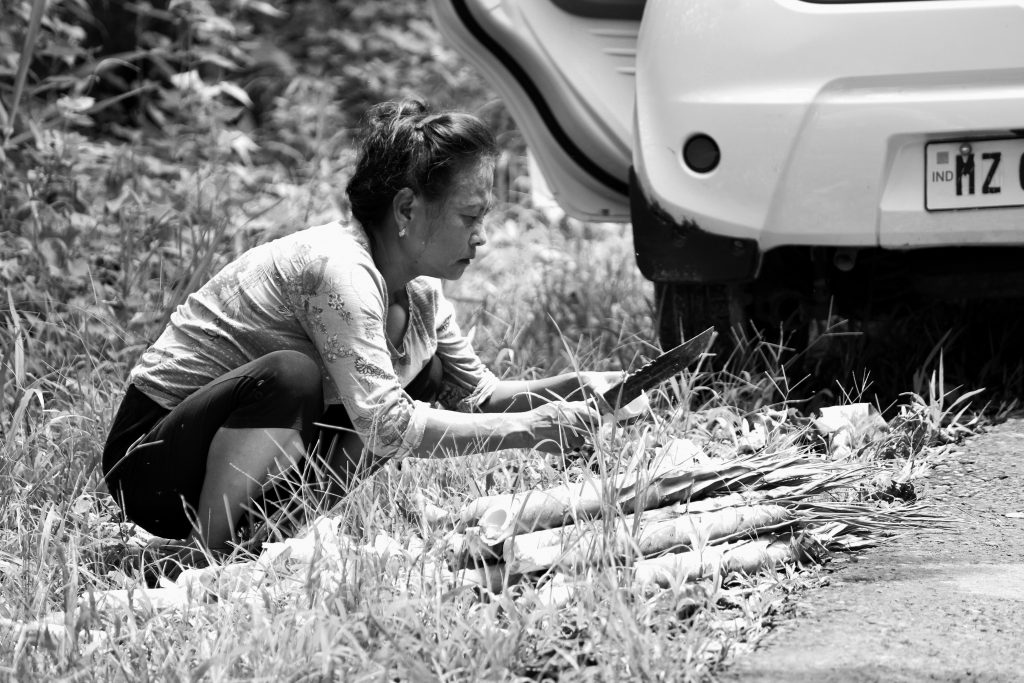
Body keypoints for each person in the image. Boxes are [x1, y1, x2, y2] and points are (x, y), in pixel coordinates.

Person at [102, 98, 623, 563]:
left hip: (232, 454)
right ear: (406, 209)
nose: (482, 236)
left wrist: (581, 389)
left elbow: (480, 394)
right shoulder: (339, 269)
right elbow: (387, 426)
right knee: (293, 376)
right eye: (470, 216)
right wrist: (533, 430)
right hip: (151, 462)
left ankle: (258, 537)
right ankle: (205, 555)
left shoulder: (417, 290)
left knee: (428, 371)